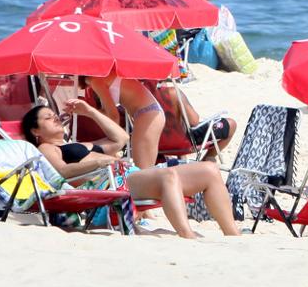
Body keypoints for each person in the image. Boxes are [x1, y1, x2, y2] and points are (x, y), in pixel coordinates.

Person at [21, 100, 241, 239]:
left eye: (54, 114)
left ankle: (233, 234)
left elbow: (121, 138)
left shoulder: (77, 144)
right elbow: (62, 172)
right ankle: (186, 234)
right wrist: (101, 162)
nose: (56, 118)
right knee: (168, 175)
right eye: (48, 118)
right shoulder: (47, 148)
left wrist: (89, 111)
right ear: (35, 130)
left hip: (128, 173)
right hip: (111, 183)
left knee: (209, 170)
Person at [80, 71, 164, 169]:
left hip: (147, 114)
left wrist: (114, 141)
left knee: (142, 171)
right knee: (143, 171)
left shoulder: (94, 80)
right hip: (149, 112)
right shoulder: (103, 75)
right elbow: (110, 113)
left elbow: (114, 116)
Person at [152, 82, 237, 162]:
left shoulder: (142, 96)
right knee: (231, 124)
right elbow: (194, 121)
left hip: (155, 145)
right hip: (183, 144)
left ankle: (181, 158)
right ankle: (207, 159)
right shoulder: (173, 92)